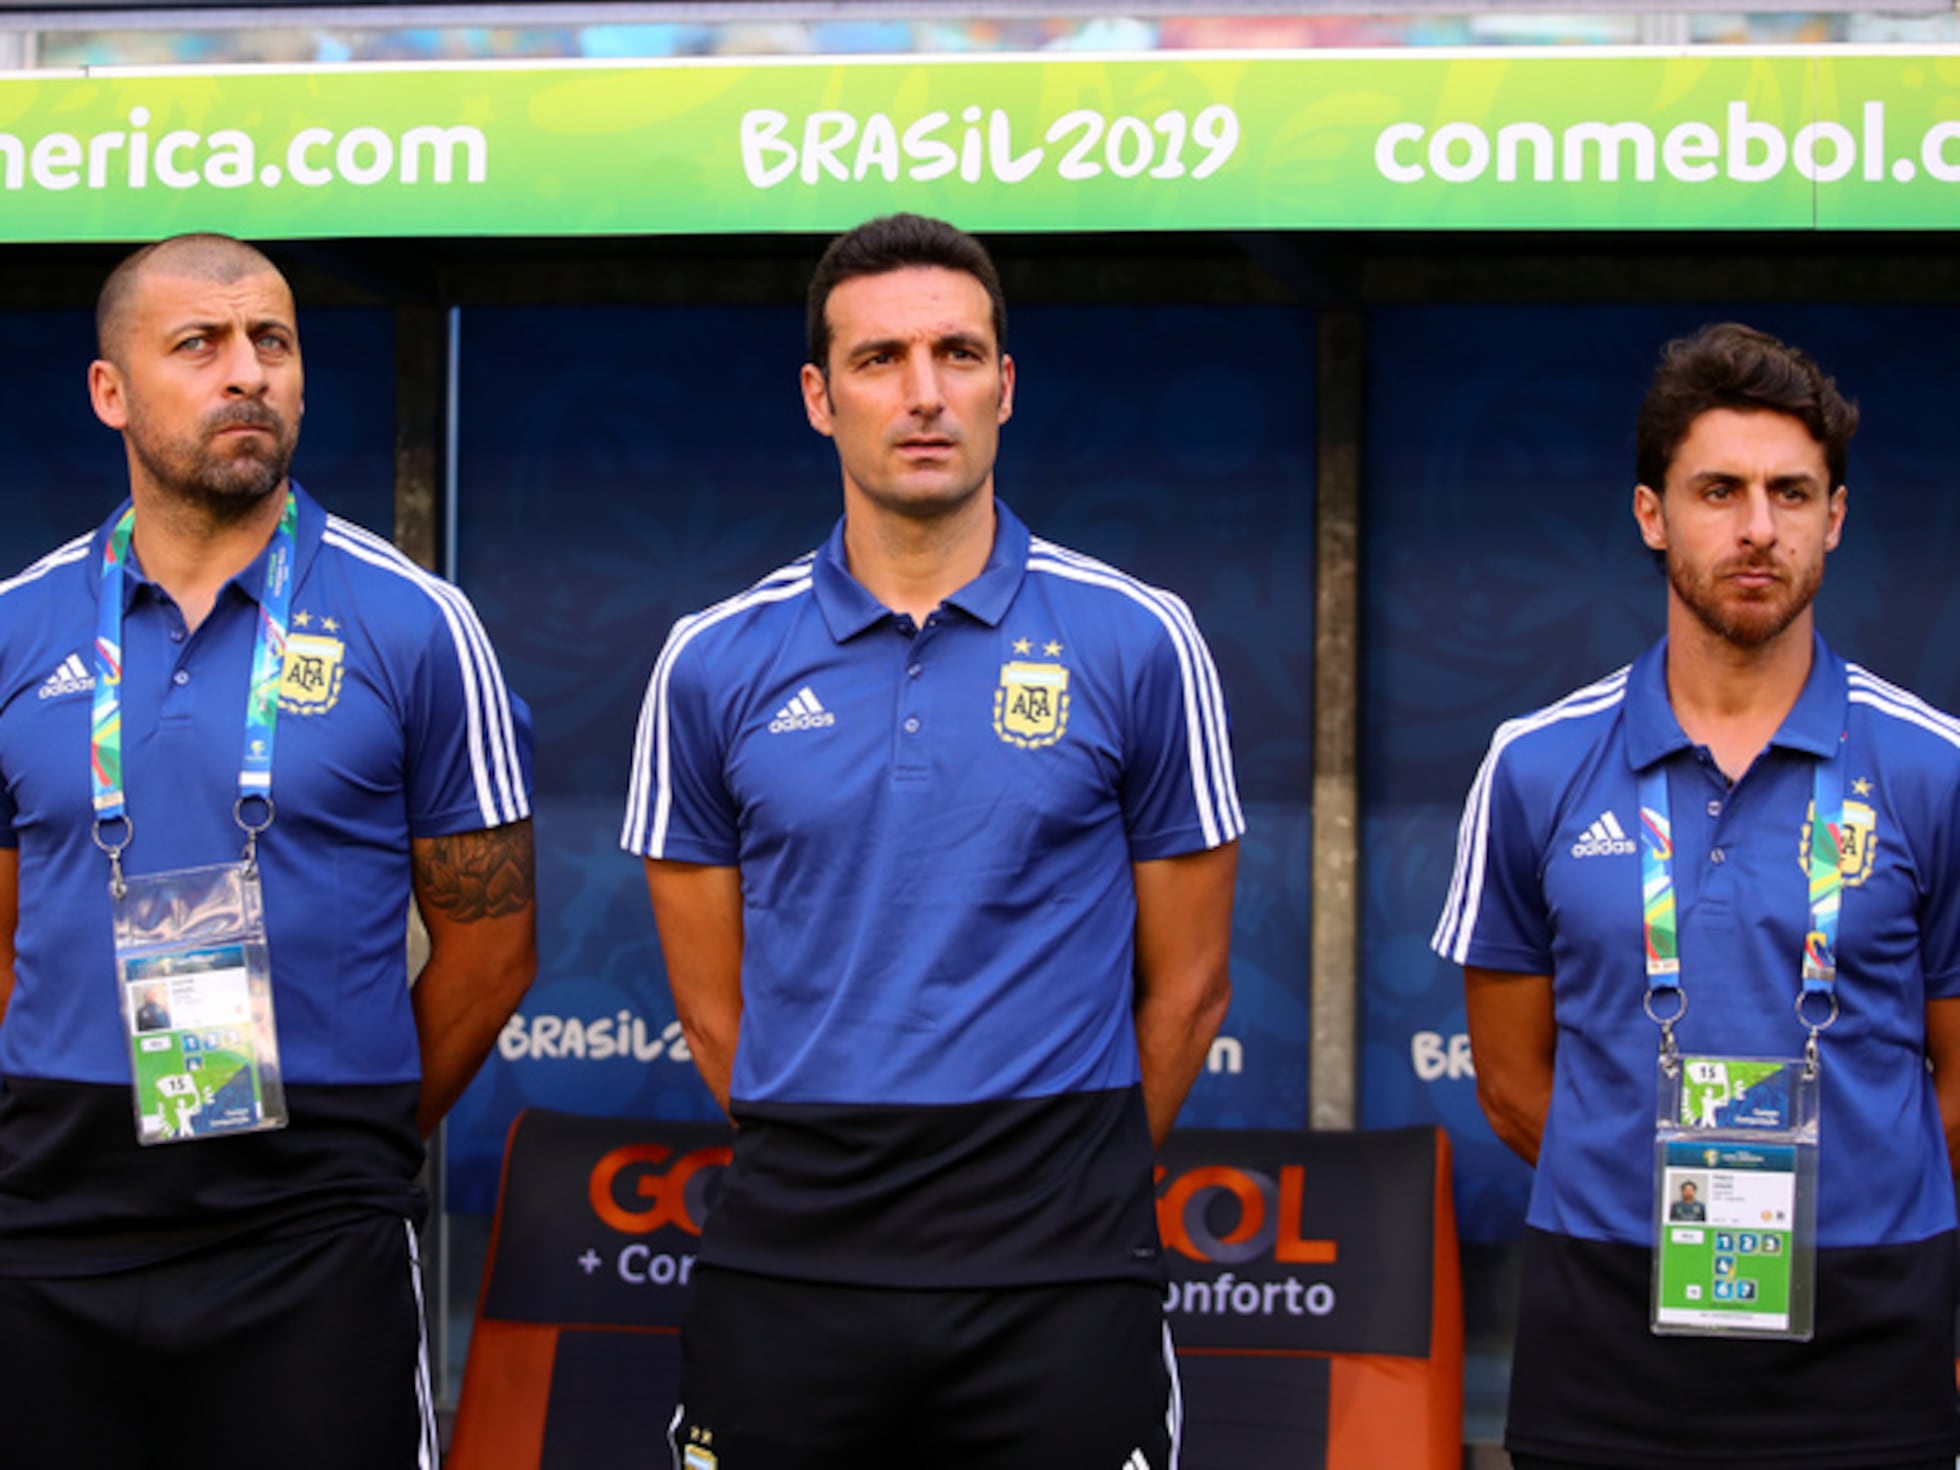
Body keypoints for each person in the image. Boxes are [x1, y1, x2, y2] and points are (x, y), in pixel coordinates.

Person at [623, 212, 1241, 1468]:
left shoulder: (1139, 639)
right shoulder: (711, 659)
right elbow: (709, 1009)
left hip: (1059, 1267)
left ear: (1004, 386)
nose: (923, 395)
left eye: (957, 355)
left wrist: (1061, 1176)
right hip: (793, 1256)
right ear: (818, 395)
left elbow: (1188, 990)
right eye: (878, 359)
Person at [0, 234, 537, 1466]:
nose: (248, 372)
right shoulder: (19, 625)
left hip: (313, 1228)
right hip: (53, 1215)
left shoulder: (413, 621)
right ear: (111, 392)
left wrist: (354, 1135)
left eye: (273, 343)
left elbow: (494, 950)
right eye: (200, 344)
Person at [1434, 322, 1960, 1470]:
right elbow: (1516, 1082)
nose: (1756, 528)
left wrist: (1853, 1210)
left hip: (1873, 1327)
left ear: (1834, 518)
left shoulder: (1935, 768)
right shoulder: (1534, 763)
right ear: (1651, 515)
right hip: (1606, 1318)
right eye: (1718, 490)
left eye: (1790, 492)